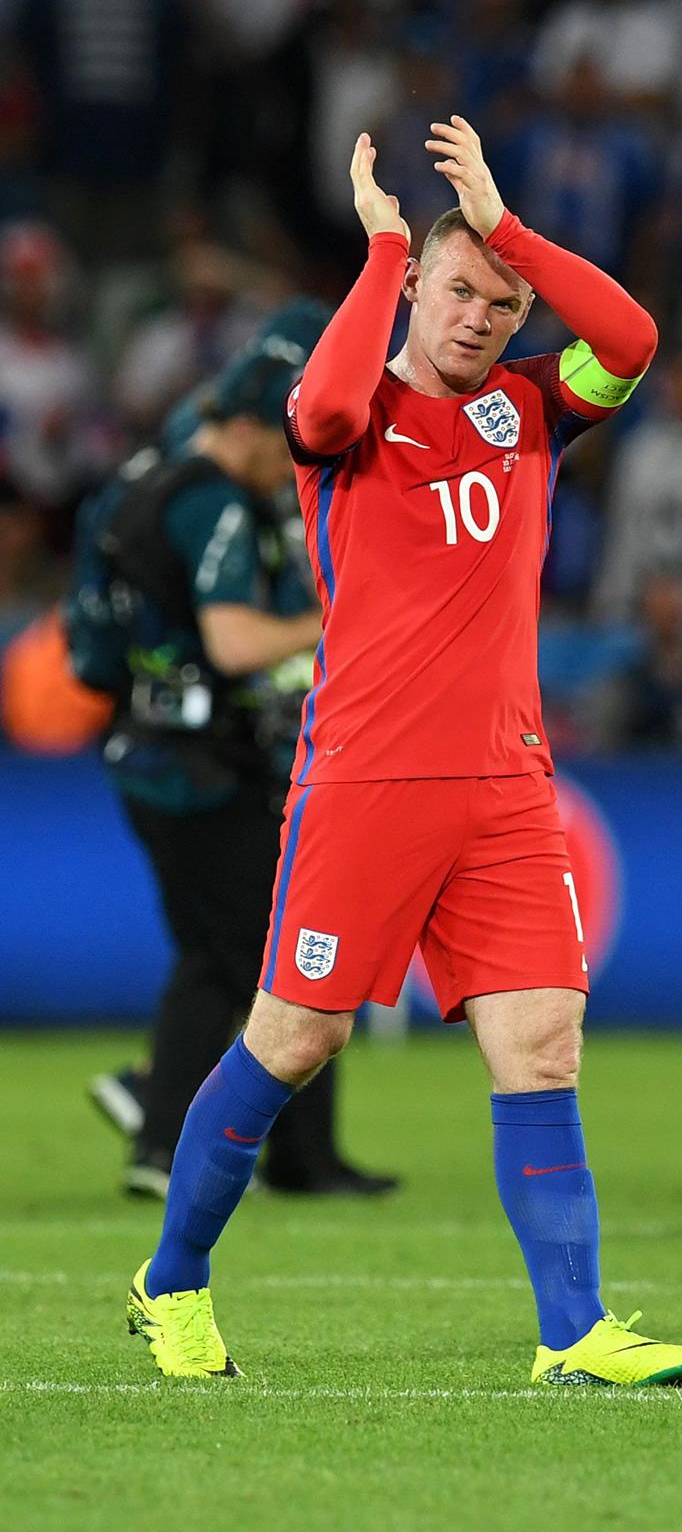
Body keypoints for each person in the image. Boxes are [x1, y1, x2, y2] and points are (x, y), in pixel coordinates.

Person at [124, 120, 682, 1389]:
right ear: (413, 290)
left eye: (501, 306)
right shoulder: (348, 421)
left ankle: (574, 1332)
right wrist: (387, 244)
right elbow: (329, 403)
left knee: (543, 1044)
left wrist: (508, 233)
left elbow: (629, 341)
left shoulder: (533, 410)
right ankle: (171, 1281)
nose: (479, 321)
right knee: (295, 1040)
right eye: (458, 292)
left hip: (506, 787)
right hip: (365, 782)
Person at [87, 334, 398, 1205]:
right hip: (201, 764)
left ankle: (193, 1136)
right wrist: (337, 619)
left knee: (223, 954)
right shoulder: (215, 502)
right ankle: (218, 1144)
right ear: (253, 429)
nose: (293, 463)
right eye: (287, 440)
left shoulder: (148, 481)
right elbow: (231, 641)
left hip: (153, 748)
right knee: (280, 951)